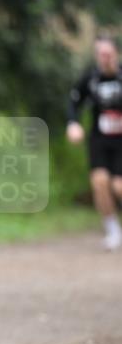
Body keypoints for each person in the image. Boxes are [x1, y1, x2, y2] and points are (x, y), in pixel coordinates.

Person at [67, 35, 122, 251]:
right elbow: (73, 101)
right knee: (99, 182)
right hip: (99, 138)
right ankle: (113, 231)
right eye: (101, 54)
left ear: (116, 53)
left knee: (118, 185)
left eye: (108, 54)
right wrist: (73, 123)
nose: (105, 58)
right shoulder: (91, 79)